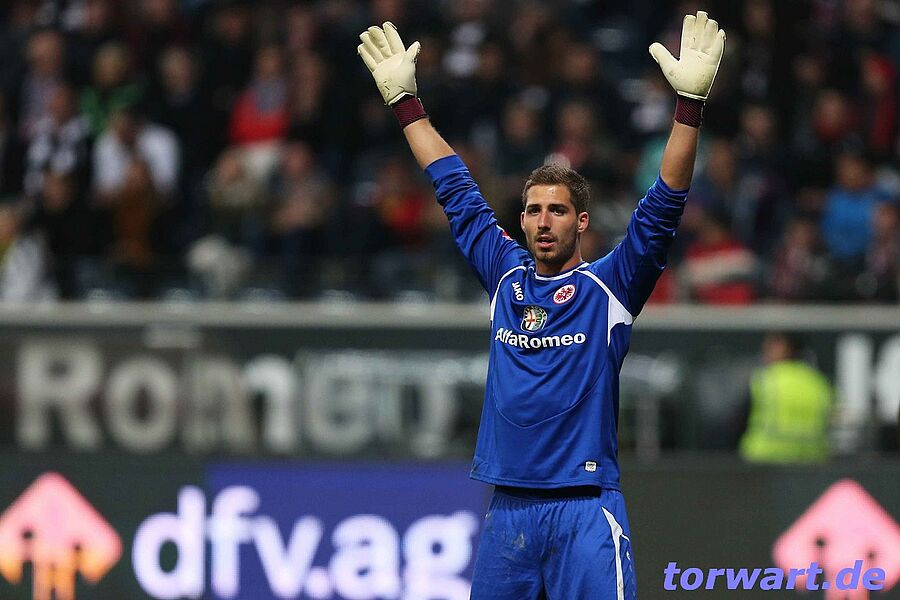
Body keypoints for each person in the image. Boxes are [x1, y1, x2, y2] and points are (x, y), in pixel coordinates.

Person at [358, 13, 725, 599]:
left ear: (581, 222)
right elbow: (455, 188)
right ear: (522, 221)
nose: (543, 221)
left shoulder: (610, 286)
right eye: (532, 210)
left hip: (585, 507)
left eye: (557, 210)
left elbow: (664, 206)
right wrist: (406, 105)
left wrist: (688, 109)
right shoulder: (504, 274)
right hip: (509, 512)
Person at [739, 332, 832, 463]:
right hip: (811, 462)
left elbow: (738, 422)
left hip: (764, 462)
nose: (765, 348)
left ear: (790, 347)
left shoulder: (765, 379)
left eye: (774, 343)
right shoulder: (819, 383)